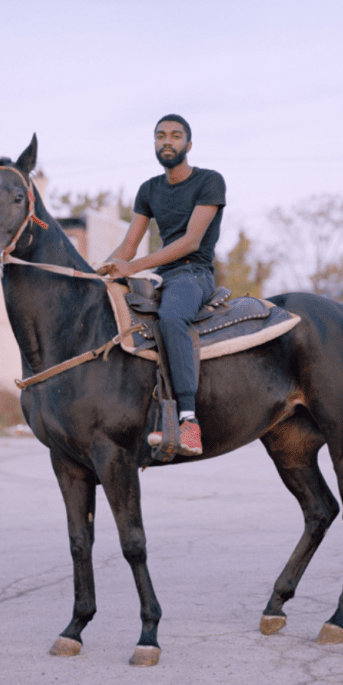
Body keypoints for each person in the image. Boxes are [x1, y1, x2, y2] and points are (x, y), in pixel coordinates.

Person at [97, 114, 226, 456]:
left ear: (188, 144)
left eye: (175, 135)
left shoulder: (210, 182)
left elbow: (190, 242)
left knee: (170, 318)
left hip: (191, 274)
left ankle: (188, 423)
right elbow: (126, 248)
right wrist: (97, 275)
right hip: (158, 276)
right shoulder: (149, 189)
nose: (167, 141)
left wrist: (133, 267)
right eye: (160, 136)